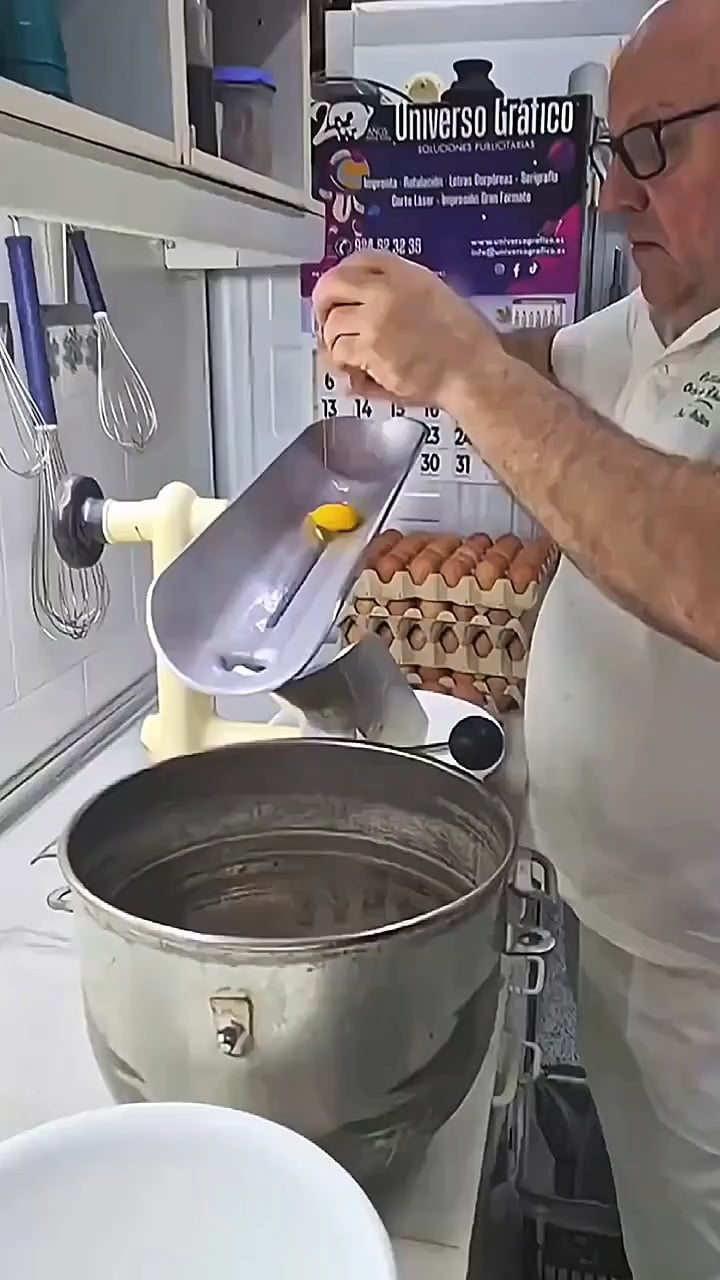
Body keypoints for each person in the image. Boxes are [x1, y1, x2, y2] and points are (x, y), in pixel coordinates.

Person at [313, 1, 720, 1276]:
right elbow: (549, 365)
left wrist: (463, 374)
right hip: (629, 921)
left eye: (655, 147)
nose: (618, 195)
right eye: (612, 153)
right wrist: (426, 346)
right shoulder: (665, 318)